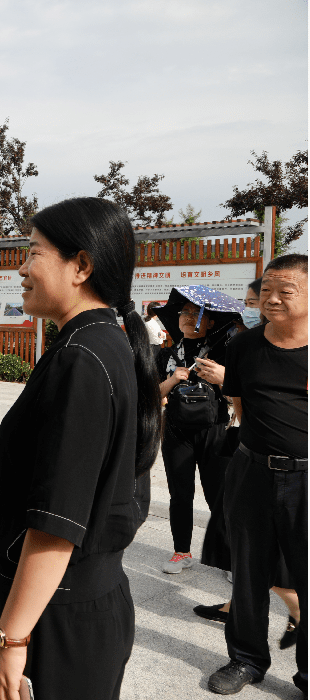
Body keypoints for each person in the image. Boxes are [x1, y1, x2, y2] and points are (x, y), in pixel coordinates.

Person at [0, 197, 162, 700]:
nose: (21, 268)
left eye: (34, 253)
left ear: (81, 265)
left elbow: (57, 524)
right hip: (78, 603)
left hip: (59, 617)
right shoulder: (98, 344)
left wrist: (11, 638)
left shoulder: (84, 359)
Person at [207, 254, 307, 695]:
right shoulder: (243, 346)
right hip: (250, 473)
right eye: (267, 290)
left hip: (305, 480)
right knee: (247, 572)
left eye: (286, 291)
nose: (272, 298)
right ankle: (245, 660)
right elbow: (240, 406)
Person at [156, 298, 231, 574]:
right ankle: (181, 552)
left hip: (214, 430)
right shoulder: (164, 354)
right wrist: (174, 378)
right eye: (183, 313)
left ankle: (229, 559)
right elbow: (153, 396)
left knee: (219, 495)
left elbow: (238, 392)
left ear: (210, 322)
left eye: (196, 313)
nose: (188, 317)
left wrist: (221, 376)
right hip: (176, 430)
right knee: (180, 493)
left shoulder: (222, 352)